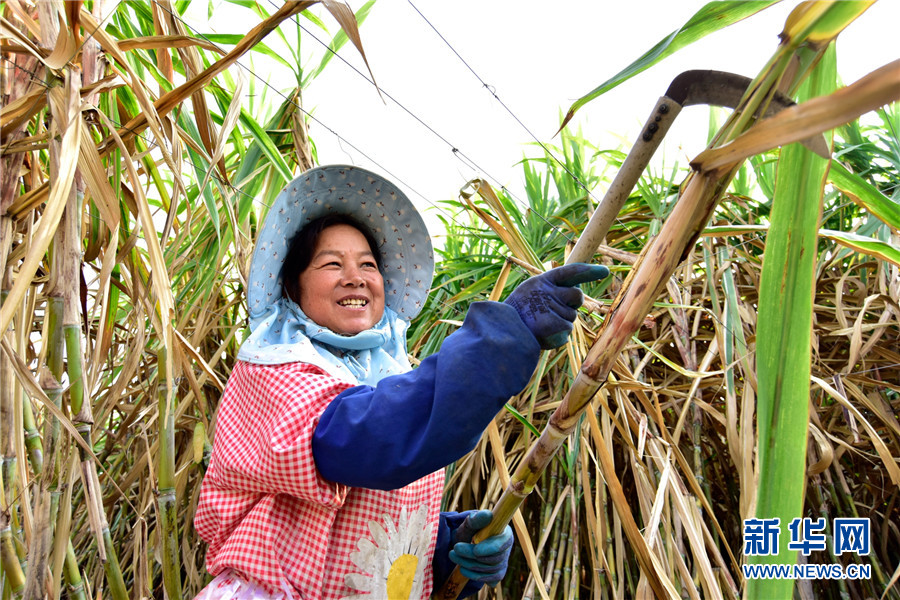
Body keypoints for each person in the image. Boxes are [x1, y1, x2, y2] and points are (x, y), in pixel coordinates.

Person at [194, 165, 609, 600]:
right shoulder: (274, 369)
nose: (355, 276)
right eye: (332, 263)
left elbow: (367, 524)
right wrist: (504, 336)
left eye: (368, 264)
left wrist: (445, 549)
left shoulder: (389, 378)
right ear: (293, 288)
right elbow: (368, 440)